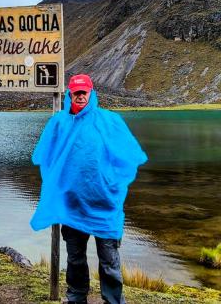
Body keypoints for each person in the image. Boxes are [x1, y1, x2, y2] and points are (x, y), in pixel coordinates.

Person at [30, 73, 148, 304]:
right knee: (75, 259)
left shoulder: (109, 120)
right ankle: (76, 298)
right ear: (69, 94)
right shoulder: (59, 123)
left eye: (85, 91)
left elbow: (129, 155)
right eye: (76, 91)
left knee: (109, 260)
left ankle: (113, 300)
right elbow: (45, 157)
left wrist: (113, 183)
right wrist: (59, 186)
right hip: (72, 206)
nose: (80, 95)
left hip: (104, 204)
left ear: (92, 93)